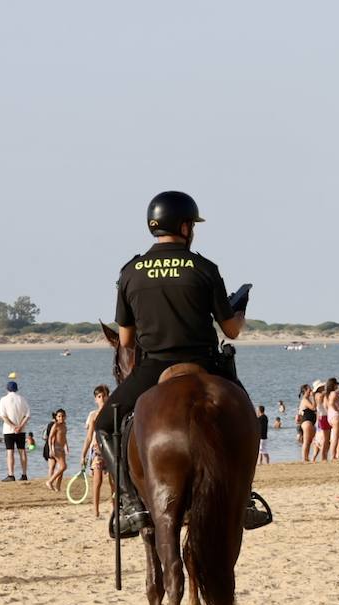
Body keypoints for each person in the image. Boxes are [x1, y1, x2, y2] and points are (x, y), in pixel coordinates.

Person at [94, 191, 268, 535]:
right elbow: (231, 331)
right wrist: (241, 311)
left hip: (152, 368)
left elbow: (126, 341)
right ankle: (244, 498)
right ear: (185, 226)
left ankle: (130, 505)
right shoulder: (204, 267)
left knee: (104, 427)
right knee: (244, 415)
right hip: (205, 362)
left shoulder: (131, 271)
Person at [79, 385, 113, 517]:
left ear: (108, 396)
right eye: (99, 396)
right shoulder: (93, 415)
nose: (102, 398)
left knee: (113, 482)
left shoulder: (112, 412)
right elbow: (88, 437)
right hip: (97, 451)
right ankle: (95, 509)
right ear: (95, 399)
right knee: (97, 481)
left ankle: (113, 505)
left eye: (104, 395)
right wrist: (83, 455)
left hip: (111, 449)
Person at [0, 379, 31, 482]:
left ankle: (11, 474)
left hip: (9, 430)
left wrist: (13, 427)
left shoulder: (3, 400)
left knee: (10, 452)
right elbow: (27, 415)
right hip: (21, 430)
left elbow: (3, 416)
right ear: (16, 389)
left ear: (7, 389)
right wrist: (19, 426)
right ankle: (24, 474)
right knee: (22, 451)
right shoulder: (22, 399)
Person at [44, 409, 68, 491]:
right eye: (59, 416)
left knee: (61, 468)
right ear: (56, 417)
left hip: (62, 449)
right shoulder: (55, 425)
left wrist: (66, 446)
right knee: (64, 466)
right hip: (56, 448)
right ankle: (50, 481)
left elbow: (64, 437)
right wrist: (51, 449)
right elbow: (50, 438)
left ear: (65, 416)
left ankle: (58, 486)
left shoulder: (64, 426)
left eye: (62, 416)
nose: (61, 418)